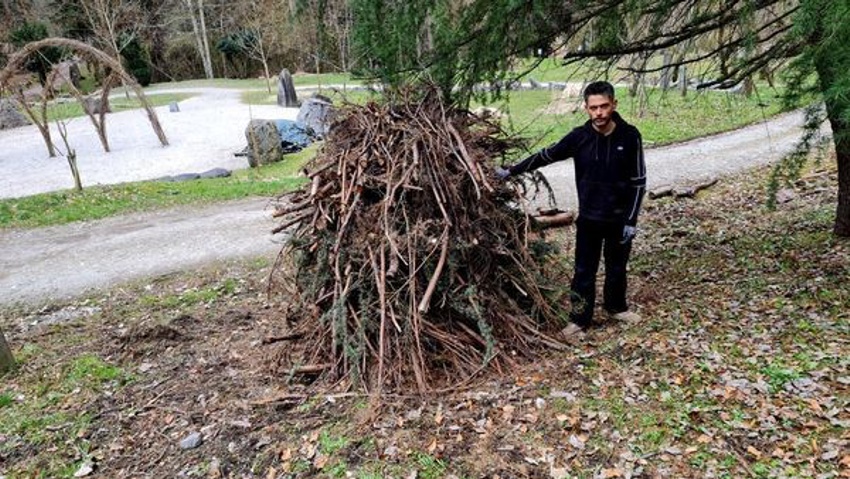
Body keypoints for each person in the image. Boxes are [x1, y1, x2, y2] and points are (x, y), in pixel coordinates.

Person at [497, 81, 646, 337]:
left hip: (619, 219)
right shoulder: (580, 137)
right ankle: (579, 320)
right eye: (593, 108)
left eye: (604, 107)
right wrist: (511, 171)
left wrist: (630, 220)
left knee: (617, 266)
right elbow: (547, 155)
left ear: (614, 105)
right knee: (583, 271)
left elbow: (639, 182)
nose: (599, 113)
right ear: (586, 108)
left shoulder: (630, 136)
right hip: (589, 218)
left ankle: (616, 307)